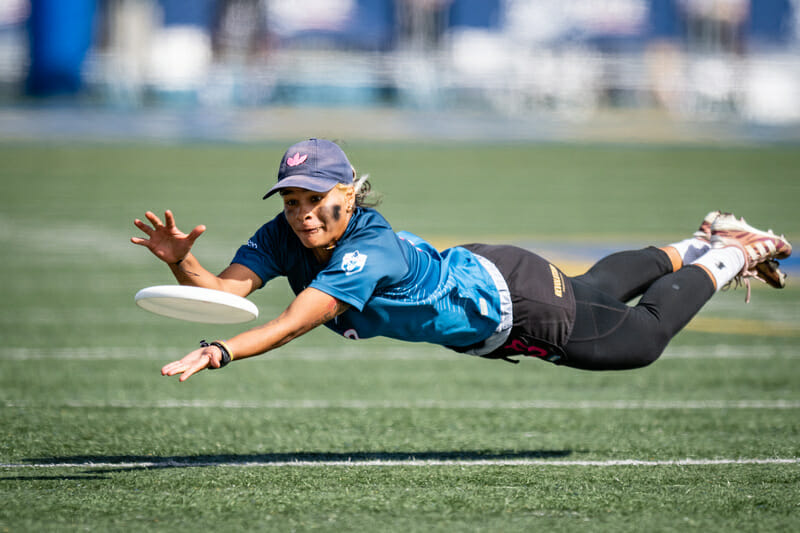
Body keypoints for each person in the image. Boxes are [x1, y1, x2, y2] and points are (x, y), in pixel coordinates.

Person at [131, 138, 792, 381]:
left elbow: (299, 318)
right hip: (495, 272)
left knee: (641, 339)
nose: (301, 212)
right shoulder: (283, 235)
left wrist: (221, 351)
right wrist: (178, 264)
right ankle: (702, 239)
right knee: (595, 289)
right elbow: (223, 287)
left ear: (348, 193)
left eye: (314, 199)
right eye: (291, 200)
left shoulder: (368, 244)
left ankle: (734, 252)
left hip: (515, 304)